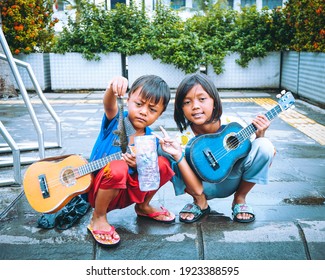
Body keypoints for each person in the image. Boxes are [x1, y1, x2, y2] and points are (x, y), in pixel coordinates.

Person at [158, 73, 275, 224]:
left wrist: (261, 135)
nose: (195, 106)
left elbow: (259, 153)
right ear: (181, 108)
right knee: (165, 151)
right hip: (201, 186)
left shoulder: (232, 125)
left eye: (202, 99)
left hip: (233, 179)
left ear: (214, 101)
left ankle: (240, 199)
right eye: (187, 102)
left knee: (265, 146)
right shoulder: (181, 138)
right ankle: (200, 202)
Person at [87, 75, 175, 247]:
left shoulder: (151, 139)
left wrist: (139, 165)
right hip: (100, 191)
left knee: (162, 163)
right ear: (128, 100)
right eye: (139, 104)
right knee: (118, 167)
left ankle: (143, 206)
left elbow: (147, 175)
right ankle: (98, 217)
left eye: (152, 109)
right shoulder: (116, 121)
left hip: (127, 193)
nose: (143, 112)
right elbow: (109, 104)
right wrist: (113, 86)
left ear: (160, 114)